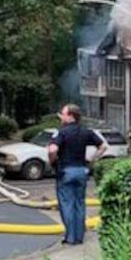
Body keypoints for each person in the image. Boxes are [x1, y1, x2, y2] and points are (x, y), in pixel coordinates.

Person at [48, 104, 107, 245]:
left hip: (65, 172)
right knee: (80, 203)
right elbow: (103, 146)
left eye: (63, 114)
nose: (61, 117)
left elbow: (52, 150)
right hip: (81, 171)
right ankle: (80, 237)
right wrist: (91, 160)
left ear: (70, 116)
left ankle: (70, 237)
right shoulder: (85, 131)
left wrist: (52, 161)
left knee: (67, 204)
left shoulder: (61, 132)